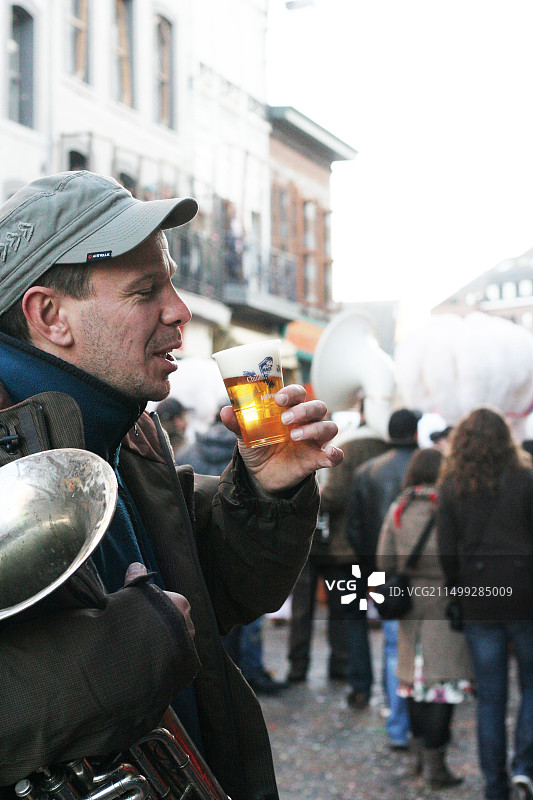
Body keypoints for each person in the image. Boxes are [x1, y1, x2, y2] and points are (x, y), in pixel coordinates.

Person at [0, 170, 343, 799]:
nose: (179, 312)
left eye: (174, 285)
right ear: (50, 315)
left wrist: (266, 492)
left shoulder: (129, 431)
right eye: (144, 292)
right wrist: (130, 651)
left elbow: (214, 592)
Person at [437, 406, 533, 800]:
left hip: (479, 597)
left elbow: (445, 552)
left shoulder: (452, 484)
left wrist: (456, 589)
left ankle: (495, 785)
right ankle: (525, 768)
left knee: (491, 698)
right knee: (532, 687)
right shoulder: (527, 478)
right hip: (526, 594)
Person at [377, 448, 473, 788]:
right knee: (442, 687)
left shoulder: (399, 509)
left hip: (410, 609)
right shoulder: (451, 507)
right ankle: (436, 767)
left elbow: (383, 559)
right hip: (445, 606)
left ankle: (419, 760)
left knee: (414, 687)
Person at [176, 410, 286, 695]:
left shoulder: (188, 451)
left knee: (210, 618)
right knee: (249, 616)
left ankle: (221, 677)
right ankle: (250, 674)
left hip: (199, 547)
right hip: (245, 546)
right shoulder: (254, 452)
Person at [287, 402, 390, 691]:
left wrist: (310, 494)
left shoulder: (345, 448)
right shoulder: (312, 448)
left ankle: (324, 665)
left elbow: (335, 496)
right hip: (321, 544)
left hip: (329, 545)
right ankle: (308, 666)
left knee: (329, 608)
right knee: (313, 608)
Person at [345, 407, 420, 747]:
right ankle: (420, 724)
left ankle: (397, 724)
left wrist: (372, 567)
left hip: (384, 573)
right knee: (422, 646)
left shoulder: (367, 471)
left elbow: (355, 528)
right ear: (415, 432)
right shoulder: (431, 466)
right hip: (424, 574)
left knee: (393, 648)